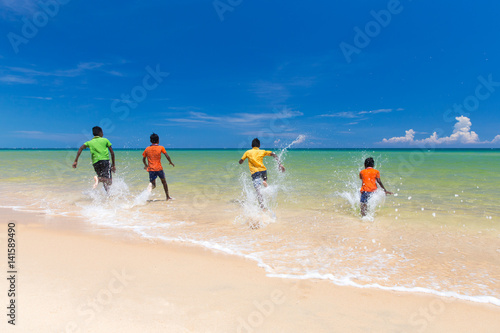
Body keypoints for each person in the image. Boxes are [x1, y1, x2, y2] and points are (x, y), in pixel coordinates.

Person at [239, 138, 285, 207]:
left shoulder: (247, 152)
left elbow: (241, 161)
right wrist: (280, 164)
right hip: (263, 170)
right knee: (264, 180)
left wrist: (241, 161)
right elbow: (274, 154)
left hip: (255, 172)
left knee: (258, 191)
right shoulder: (262, 151)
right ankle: (264, 181)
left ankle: (262, 206)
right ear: (259, 145)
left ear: (251, 145)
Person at [73, 126, 116, 191]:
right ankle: (98, 179)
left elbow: (80, 148)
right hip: (105, 161)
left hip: (96, 163)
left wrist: (76, 161)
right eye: (102, 132)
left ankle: (108, 195)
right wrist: (113, 165)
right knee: (109, 181)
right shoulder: (105, 140)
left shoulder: (90, 142)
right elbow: (112, 153)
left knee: (104, 180)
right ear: (100, 133)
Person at [142, 133, 175, 200]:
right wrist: (170, 162)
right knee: (164, 182)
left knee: (153, 184)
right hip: (159, 169)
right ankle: (167, 196)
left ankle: (149, 188)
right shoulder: (161, 147)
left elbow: (143, 159)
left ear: (150, 141)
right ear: (158, 140)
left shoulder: (147, 149)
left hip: (151, 169)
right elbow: (167, 156)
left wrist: (146, 165)